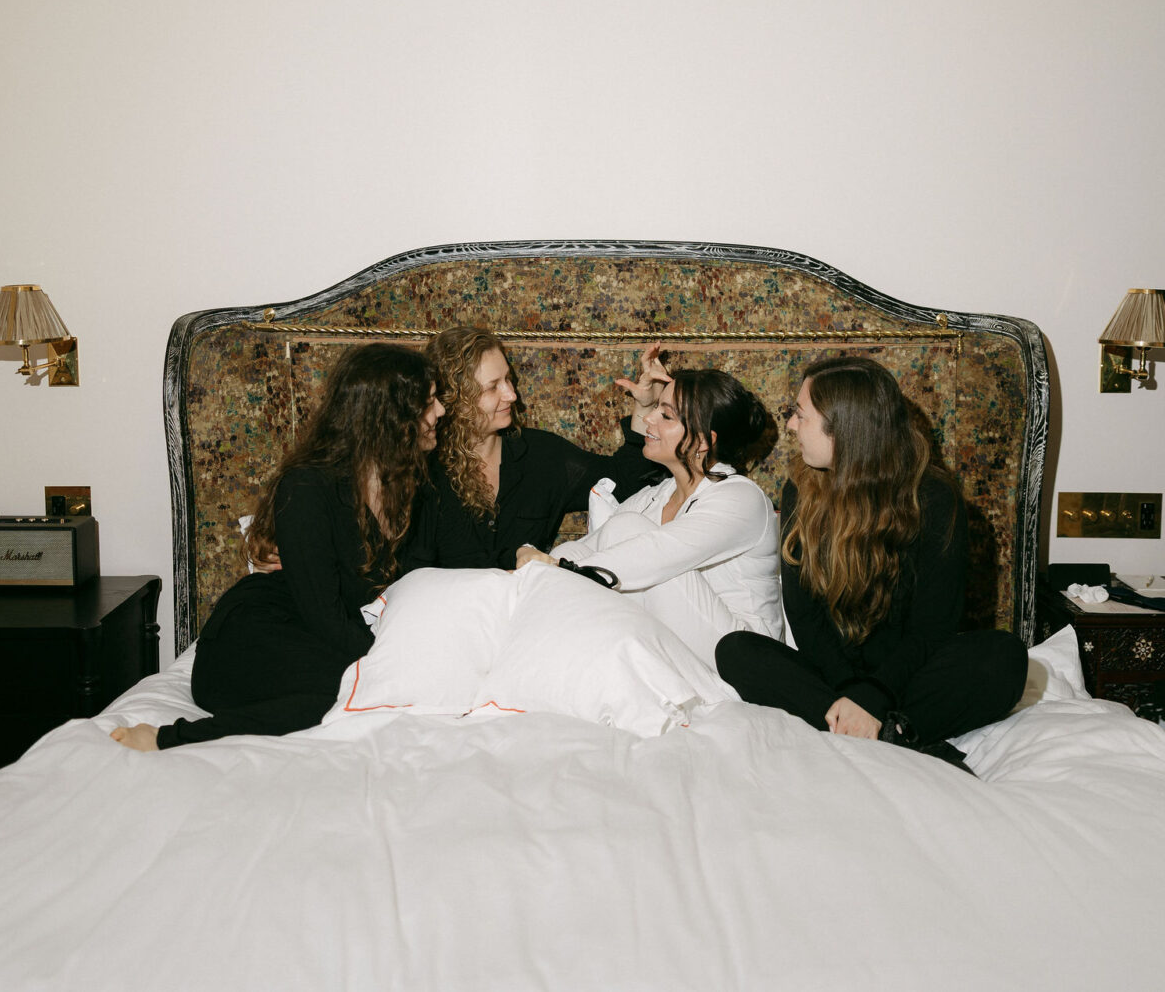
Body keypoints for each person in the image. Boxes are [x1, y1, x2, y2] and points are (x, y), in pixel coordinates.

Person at [111, 343, 443, 751]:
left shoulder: (413, 485)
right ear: (387, 416)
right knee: (355, 691)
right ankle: (170, 737)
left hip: (326, 638)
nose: (440, 411)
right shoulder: (308, 487)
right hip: (257, 634)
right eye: (428, 403)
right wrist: (392, 661)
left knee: (380, 692)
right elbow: (322, 613)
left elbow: (446, 572)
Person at [714, 356, 1027, 762]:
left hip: (907, 676)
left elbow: (932, 628)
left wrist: (875, 694)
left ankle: (872, 730)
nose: (791, 425)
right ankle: (893, 735)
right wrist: (852, 691)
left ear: (845, 428)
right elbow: (804, 617)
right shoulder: (800, 489)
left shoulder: (933, 498)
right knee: (736, 651)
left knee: (1004, 657)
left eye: (800, 414)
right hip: (832, 676)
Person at [518, 364, 781, 661]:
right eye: (655, 408)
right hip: (687, 646)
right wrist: (530, 561)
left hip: (747, 659)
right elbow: (585, 548)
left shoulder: (741, 498)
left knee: (627, 532)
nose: (649, 419)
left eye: (665, 415)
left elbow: (653, 553)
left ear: (703, 441)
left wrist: (558, 570)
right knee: (613, 538)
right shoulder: (654, 496)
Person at [403, 326, 663, 570]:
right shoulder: (422, 470)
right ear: (455, 399)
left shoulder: (542, 456)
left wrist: (645, 406)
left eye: (508, 379)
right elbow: (407, 573)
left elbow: (624, 482)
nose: (511, 395)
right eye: (493, 387)